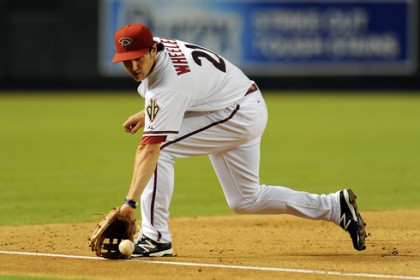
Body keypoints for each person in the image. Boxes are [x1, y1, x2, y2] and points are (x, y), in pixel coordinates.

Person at [113, 23, 367, 257]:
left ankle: (155, 237)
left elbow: (151, 146)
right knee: (246, 200)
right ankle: (334, 206)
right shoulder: (156, 47)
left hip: (236, 113)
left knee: (162, 147)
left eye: (138, 59)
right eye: (127, 62)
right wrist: (147, 114)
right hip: (236, 104)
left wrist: (129, 203)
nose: (134, 67)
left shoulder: (169, 82)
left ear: (153, 49)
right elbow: (192, 88)